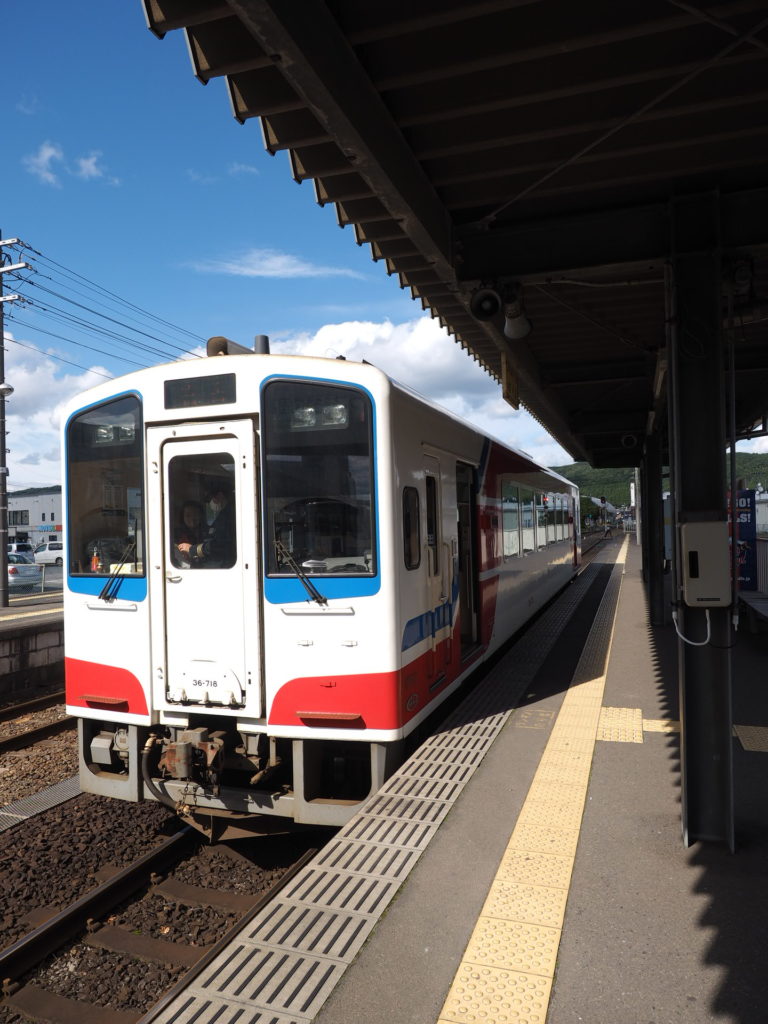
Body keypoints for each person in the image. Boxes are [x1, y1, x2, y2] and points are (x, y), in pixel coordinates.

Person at [177, 484, 236, 568]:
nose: (192, 519)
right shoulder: (177, 534)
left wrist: (192, 550)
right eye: (188, 515)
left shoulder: (227, 516)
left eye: (195, 515)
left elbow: (218, 545)